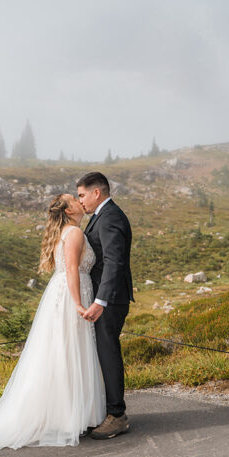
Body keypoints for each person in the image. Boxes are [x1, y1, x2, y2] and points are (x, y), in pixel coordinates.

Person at [0, 194, 106, 449]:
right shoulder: (73, 233)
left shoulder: (65, 231)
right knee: (69, 352)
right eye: (73, 199)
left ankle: (64, 414)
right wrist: (77, 303)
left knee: (61, 352)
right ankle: (70, 416)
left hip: (61, 292)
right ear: (67, 210)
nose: (78, 200)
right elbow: (73, 269)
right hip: (71, 294)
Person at [76, 172, 134, 440]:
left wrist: (101, 300)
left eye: (82, 195)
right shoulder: (102, 216)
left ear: (96, 192)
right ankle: (106, 410)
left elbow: (114, 262)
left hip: (110, 300)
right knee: (102, 352)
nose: (80, 201)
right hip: (105, 297)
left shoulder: (110, 217)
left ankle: (117, 415)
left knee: (108, 352)